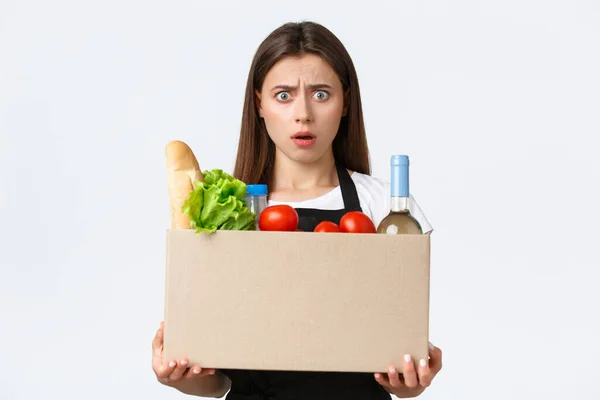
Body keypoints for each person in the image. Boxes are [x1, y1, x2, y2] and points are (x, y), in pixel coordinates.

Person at [152, 20, 443, 399]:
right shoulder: (230, 211)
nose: (303, 113)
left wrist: (410, 382)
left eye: (321, 94)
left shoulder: (386, 207)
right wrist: (180, 376)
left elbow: (399, 358)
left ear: (345, 104)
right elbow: (219, 379)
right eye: (284, 95)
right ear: (259, 104)